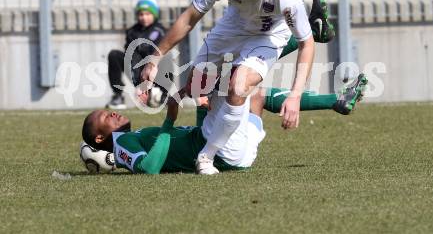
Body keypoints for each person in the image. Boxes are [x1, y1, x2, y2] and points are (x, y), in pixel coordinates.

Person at [139, 0, 325, 174]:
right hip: (232, 28)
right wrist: (155, 57)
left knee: (239, 86)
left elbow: (306, 44)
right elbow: (189, 18)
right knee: (197, 88)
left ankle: (206, 156)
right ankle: (226, 105)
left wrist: (295, 96)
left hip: (268, 36)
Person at [81, 74, 368, 175]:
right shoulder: (122, 144)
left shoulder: (133, 136)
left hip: (231, 152)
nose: (112, 114)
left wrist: (199, 112)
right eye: (105, 118)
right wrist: (169, 120)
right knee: (232, 77)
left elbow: (181, 145)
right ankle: (296, 39)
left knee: (256, 94)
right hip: (219, 149)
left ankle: (336, 100)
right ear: (98, 138)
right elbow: (149, 169)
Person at [106, 0, 166, 109]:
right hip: (136, 67)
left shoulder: (159, 31)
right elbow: (130, 53)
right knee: (114, 55)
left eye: (148, 14)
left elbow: (155, 52)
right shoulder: (132, 31)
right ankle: (118, 95)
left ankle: (161, 93)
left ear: (154, 14)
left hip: (154, 69)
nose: (144, 17)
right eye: (141, 14)